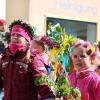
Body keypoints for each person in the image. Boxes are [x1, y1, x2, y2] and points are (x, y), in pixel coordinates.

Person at [0, 20, 55, 100]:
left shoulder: (33, 58)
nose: (15, 37)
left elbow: (44, 88)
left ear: (27, 40)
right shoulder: (5, 58)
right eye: (13, 34)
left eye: (19, 35)